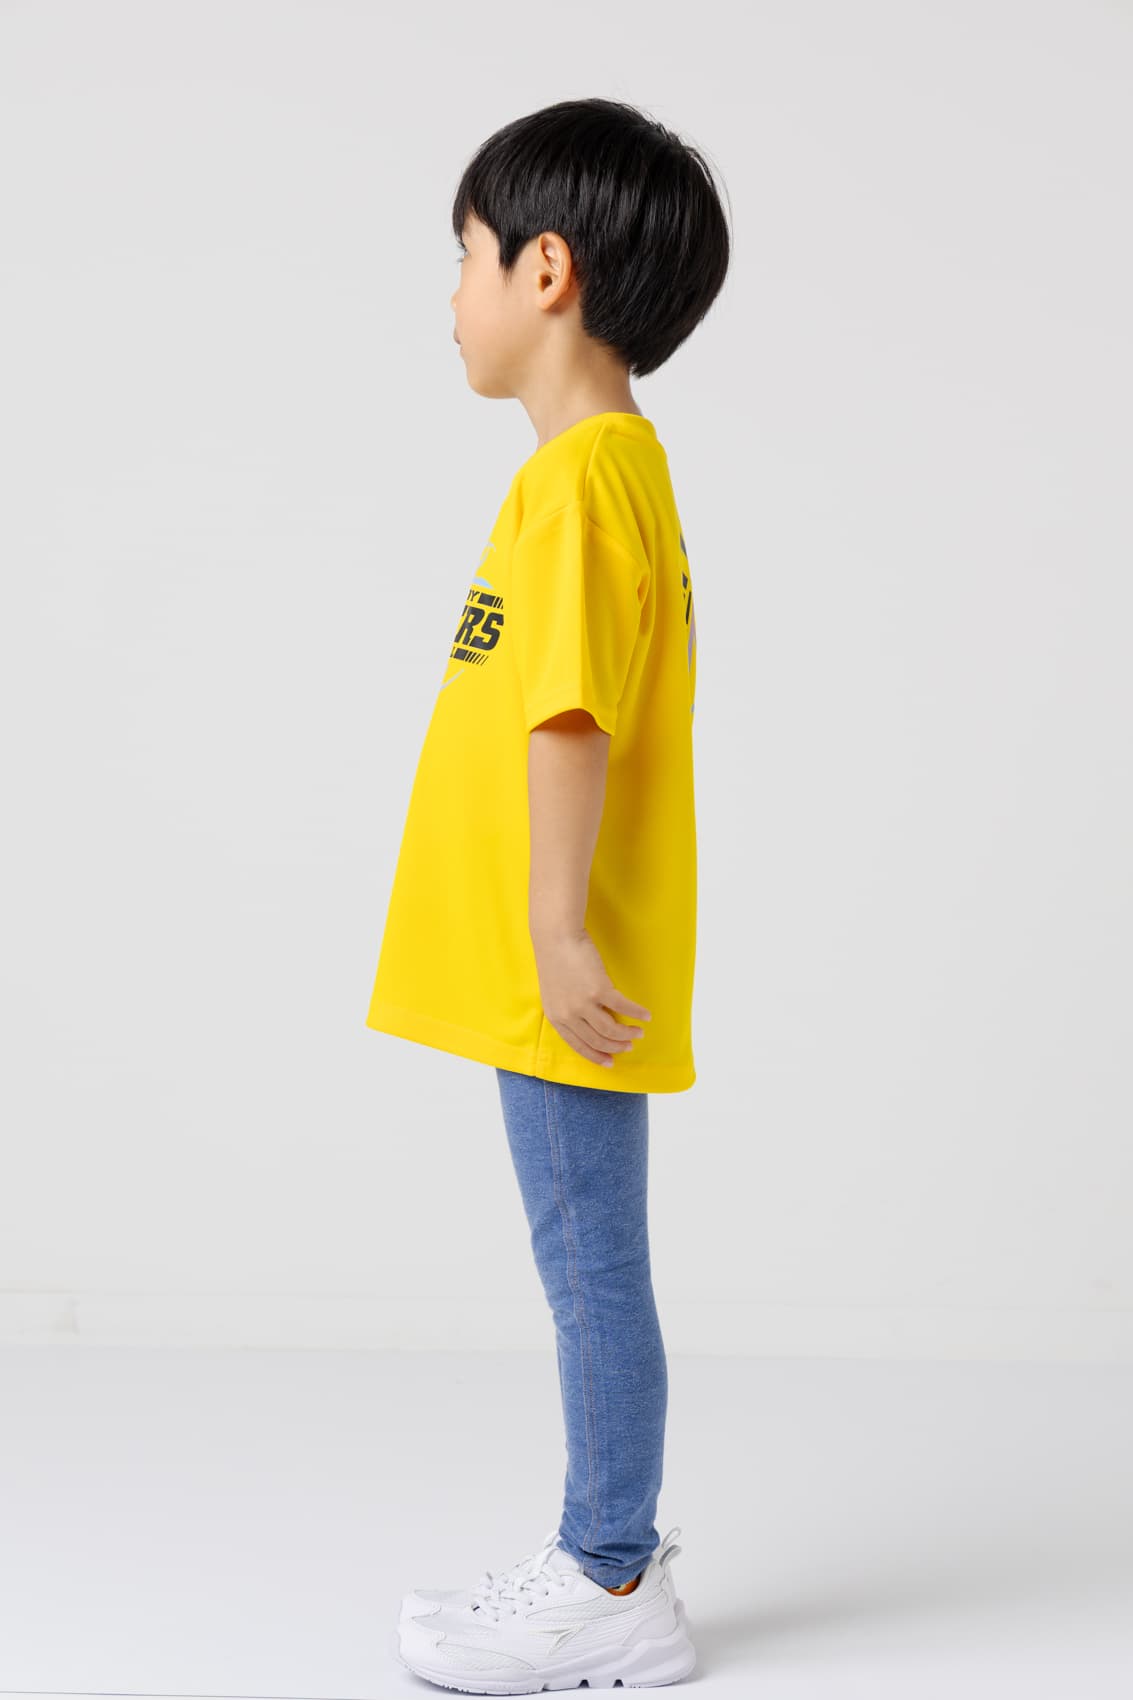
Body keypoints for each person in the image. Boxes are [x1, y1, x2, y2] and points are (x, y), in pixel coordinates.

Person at [366, 95, 730, 1693]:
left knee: (589, 1267)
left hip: (561, 974)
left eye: (462, 256)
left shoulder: (580, 483)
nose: (449, 295)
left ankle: (608, 1575)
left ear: (545, 270)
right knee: (590, 1259)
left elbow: (568, 715)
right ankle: (606, 1556)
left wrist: (556, 930)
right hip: (558, 960)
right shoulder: (605, 473)